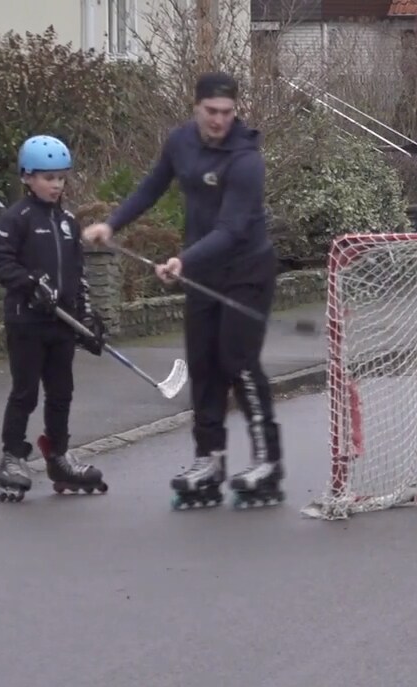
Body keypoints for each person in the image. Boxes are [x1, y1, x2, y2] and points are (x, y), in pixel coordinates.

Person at [82, 71, 284, 511]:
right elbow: (152, 187)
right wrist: (111, 223)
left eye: (227, 113)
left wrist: (183, 260)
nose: (219, 121)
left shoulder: (246, 159)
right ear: (196, 109)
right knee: (203, 364)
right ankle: (209, 460)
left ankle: (268, 461)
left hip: (246, 271)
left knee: (237, 360)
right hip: (203, 273)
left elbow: (232, 229)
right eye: (211, 112)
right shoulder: (180, 143)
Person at [0, 135, 108, 502]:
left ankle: (58, 455)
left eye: (60, 177)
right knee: (25, 392)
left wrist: (87, 318)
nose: (56, 185)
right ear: (27, 177)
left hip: (61, 323)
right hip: (27, 322)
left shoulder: (68, 221)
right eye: (47, 177)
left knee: (62, 393)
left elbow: (77, 274)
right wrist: (30, 284)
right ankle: (12, 457)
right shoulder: (16, 218)